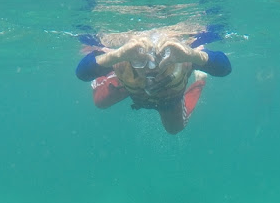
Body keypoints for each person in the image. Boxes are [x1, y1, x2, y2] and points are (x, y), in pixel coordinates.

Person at [75, 31, 231, 134]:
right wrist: (117, 55)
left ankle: (200, 81)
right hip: (129, 85)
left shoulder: (182, 56)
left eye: (160, 59)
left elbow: (225, 67)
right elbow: (82, 72)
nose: (151, 69)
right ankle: (107, 73)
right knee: (100, 101)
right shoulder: (122, 57)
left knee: (174, 128)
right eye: (141, 60)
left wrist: (193, 55)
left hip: (168, 98)